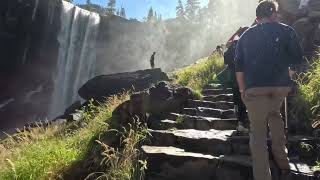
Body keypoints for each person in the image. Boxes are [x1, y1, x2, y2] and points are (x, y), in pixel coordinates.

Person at [234, 1, 303, 180]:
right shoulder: (287, 31)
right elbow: (297, 60)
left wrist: (243, 91)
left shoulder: (246, 36)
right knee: (275, 115)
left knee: (258, 134)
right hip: (280, 88)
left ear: (257, 19)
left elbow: (239, 67)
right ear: (275, 14)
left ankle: (264, 176)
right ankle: (284, 165)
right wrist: (288, 73)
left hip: (255, 89)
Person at [223, 27, 249, 132]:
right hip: (247, 78)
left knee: (238, 101)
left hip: (234, 80)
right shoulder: (247, 44)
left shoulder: (233, 45)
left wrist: (236, 32)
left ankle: (240, 123)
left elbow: (227, 44)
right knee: (248, 101)